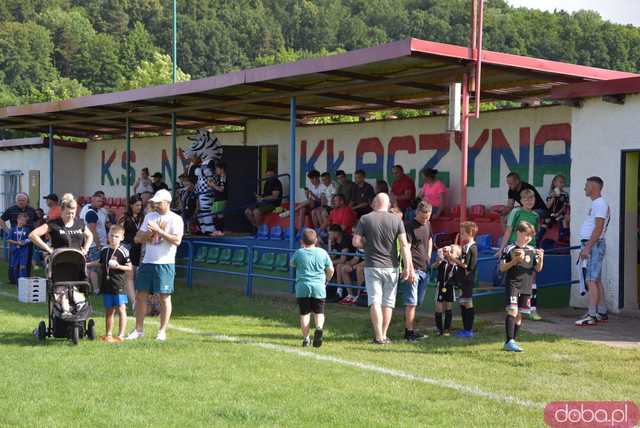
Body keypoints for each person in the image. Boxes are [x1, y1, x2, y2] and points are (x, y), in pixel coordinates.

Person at [353, 193, 415, 344]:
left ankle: (378, 336)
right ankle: (384, 335)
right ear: (388, 205)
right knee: (388, 302)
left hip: (372, 265)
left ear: (374, 203)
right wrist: (408, 267)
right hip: (391, 267)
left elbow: (356, 242)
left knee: (374, 301)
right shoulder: (396, 220)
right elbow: (404, 245)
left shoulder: (365, 218)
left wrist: (366, 245)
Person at [127, 189, 184, 342]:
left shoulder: (176, 219)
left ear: (167, 203)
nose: (156, 205)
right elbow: (138, 238)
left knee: (164, 298)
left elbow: (177, 241)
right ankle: (138, 330)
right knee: (140, 296)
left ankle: (162, 331)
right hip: (147, 262)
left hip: (165, 263)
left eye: (159, 203)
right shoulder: (149, 216)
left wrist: (160, 231)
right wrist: (150, 234)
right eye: (155, 203)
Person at [497, 188, 542, 320]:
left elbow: (535, 233)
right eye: (526, 199)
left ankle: (532, 308)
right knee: (514, 277)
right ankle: (512, 306)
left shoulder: (535, 215)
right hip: (515, 247)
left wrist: (535, 251)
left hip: (530, 249)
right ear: (521, 201)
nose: (529, 201)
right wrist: (502, 248)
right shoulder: (516, 211)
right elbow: (509, 230)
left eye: (531, 198)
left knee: (532, 278)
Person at [500, 221, 544, 352]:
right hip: (513, 283)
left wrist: (541, 258)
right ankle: (509, 341)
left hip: (526, 285)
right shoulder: (509, 249)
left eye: (530, 236)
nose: (528, 238)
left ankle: (512, 341)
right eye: (526, 235)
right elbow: (502, 268)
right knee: (512, 310)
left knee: (519, 314)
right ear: (518, 233)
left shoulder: (532, 250)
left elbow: (538, 268)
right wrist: (514, 261)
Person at [87, 224, 132, 343]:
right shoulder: (105, 250)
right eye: (111, 236)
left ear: (122, 238)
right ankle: (108, 334)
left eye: (116, 236)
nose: (113, 238)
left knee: (121, 309)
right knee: (109, 310)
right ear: (108, 236)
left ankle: (121, 335)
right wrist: (88, 264)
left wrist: (118, 266)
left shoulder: (123, 251)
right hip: (107, 284)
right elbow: (100, 262)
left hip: (118, 285)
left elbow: (129, 268)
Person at [290, 228, 334, 348]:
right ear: (316, 240)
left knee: (304, 314)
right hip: (319, 287)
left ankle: (306, 339)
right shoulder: (322, 252)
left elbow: (292, 264)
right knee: (319, 312)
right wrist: (327, 279)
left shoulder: (299, 252)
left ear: (302, 240)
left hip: (302, 287)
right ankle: (319, 328)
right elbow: (330, 270)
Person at [576, 176, 610, 326]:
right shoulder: (598, 204)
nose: (584, 188)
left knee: (590, 280)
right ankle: (601, 312)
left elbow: (599, 227)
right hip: (593, 244)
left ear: (594, 187)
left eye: (586, 185)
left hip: (594, 245)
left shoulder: (599, 204)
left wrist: (588, 247)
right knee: (595, 279)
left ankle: (591, 315)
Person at [397, 201, 432, 342]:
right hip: (414, 269)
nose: (425, 220)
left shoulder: (428, 224)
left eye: (428, 217)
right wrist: (409, 269)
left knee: (418, 302)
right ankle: (409, 332)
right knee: (411, 303)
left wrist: (429, 256)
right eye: (423, 217)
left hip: (425, 268)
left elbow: (429, 239)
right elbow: (406, 249)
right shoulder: (409, 226)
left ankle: (411, 329)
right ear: (417, 213)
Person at [448, 221, 478, 337]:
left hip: (467, 280)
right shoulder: (466, 247)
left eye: (463, 233)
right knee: (463, 304)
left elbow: (466, 265)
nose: (461, 235)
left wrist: (453, 258)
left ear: (470, 233)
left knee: (468, 303)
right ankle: (465, 328)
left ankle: (469, 330)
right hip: (463, 280)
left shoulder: (472, 248)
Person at [1, 193, 37, 280]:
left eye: (23, 200)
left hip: (28, 238)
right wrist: (7, 231)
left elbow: (37, 221)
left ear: (27, 201)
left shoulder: (31, 210)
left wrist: (35, 232)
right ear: (16, 201)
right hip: (15, 239)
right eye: (19, 200)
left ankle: (26, 277)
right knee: (14, 259)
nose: (21, 202)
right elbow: (1, 220)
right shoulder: (11, 209)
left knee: (28, 257)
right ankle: (13, 278)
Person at [119, 195, 144, 305]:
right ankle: (127, 299)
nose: (139, 207)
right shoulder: (125, 218)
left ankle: (133, 298)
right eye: (137, 205)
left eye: (140, 205)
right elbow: (119, 232)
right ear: (131, 205)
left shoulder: (143, 217)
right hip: (128, 247)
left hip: (139, 247)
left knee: (136, 275)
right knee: (129, 275)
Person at [433, 245, 460, 336]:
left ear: (456, 255)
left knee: (449, 307)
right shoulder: (443, 262)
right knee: (438, 307)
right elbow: (433, 266)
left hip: (450, 287)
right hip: (441, 285)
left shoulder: (456, 265)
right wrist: (439, 259)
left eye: (452, 252)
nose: (449, 253)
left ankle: (447, 329)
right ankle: (439, 329)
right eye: (449, 251)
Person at [326, 224, 355, 304]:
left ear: (336, 233)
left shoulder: (345, 239)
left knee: (339, 266)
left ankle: (340, 292)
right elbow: (332, 256)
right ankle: (329, 291)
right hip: (344, 262)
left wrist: (328, 263)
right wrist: (330, 244)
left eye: (331, 233)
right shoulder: (334, 241)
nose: (329, 235)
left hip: (353, 261)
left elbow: (343, 259)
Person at [543, 174, 570, 239]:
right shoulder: (551, 193)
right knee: (546, 222)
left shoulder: (565, 194)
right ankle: (540, 237)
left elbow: (564, 206)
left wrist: (558, 213)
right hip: (550, 213)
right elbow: (547, 206)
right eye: (560, 182)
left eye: (563, 182)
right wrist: (553, 197)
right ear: (555, 183)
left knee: (562, 220)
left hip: (560, 213)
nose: (562, 184)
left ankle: (563, 237)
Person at [7, 213, 31, 284]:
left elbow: (30, 238)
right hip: (15, 251)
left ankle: (23, 283)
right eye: (21, 220)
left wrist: (24, 242)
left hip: (24, 251)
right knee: (15, 268)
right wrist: (17, 243)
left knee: (23, 267)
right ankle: (17, 282)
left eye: (24, 221)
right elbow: (8, 239)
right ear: (18, 220)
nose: (22, 222)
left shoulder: (27, 229)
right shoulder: (13, 229)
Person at [207, 160, 227, 236]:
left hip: (221, 198)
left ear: (222, 169)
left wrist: (212, 185)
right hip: (218, 198)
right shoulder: (220, 177)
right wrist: (212, 185)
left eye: (217, 169)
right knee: (214, 214)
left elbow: (221, 189)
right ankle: (217, 230)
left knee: (219, 215)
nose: (216, 170)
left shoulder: (223, 177)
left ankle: (220, 231)